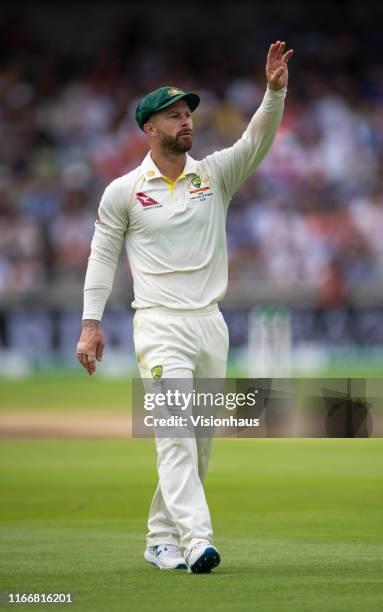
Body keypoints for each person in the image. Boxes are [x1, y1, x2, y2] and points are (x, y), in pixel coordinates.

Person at [76, 41, 293, 573]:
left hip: (209, 325)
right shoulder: (123, 191)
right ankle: (198, 541)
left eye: (188, 113)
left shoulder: (214, 176)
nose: (186, 120)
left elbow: (256, 140)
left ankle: (159, 538)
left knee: (197, 446)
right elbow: (102, 256)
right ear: (149, 127)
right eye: (174, 115)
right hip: (158, 325)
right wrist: (90, 325)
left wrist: (274, 93)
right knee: (174, 433)